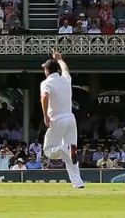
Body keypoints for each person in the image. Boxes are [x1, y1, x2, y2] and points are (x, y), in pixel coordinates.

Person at [40, 48, 85, 188]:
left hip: (57, 119)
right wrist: (59, 58)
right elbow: (65, 68)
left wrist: (45, 115)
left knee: (49, 151)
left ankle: (66, 149)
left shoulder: (46, 83)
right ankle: (78, 184)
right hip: (70, 118)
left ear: (47, 70)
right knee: (71, 156)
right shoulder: (65, 79)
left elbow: (44, 97)